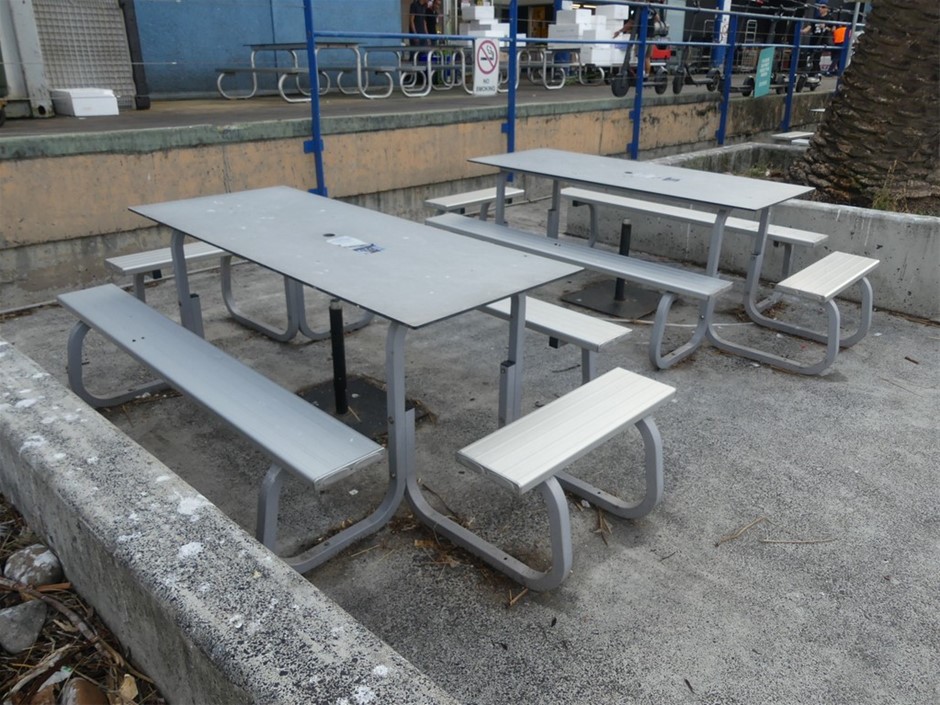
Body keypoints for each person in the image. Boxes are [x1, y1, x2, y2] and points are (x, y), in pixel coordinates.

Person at [612, 0, 667, 77]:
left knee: (641, 56)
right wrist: (649, 23)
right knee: (647, 57)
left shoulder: (639, 9)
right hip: (651, 36)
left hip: (642, 36)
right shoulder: (651, 8)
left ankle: (641, 75)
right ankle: (646, 75)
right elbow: (657, 18)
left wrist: (619, 31)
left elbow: (630, 23)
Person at [801, 2, 832, 76]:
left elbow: (833, 29)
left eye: (823, 7)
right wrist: (803, 31)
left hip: (822, 40)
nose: (820, 9)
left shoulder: (830, 18)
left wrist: (825, 27)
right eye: (820, 7)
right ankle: (815, 72)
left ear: (827, 9)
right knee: (812, 56)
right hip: (814, 39)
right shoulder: (816, 18)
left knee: (816, 56)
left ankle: (814, 72)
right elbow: (810, 26)